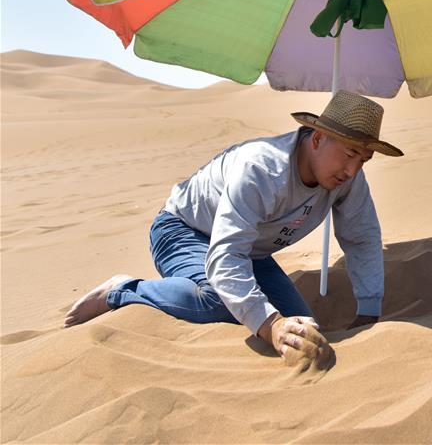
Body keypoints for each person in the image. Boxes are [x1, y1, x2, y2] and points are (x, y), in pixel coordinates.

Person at [64, 90, 402, 360]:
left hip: (250, 248)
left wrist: (369, 309)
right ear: (316, 140)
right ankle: (122, 291)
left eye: (364, 160)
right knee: (220, 300)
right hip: (183, 230)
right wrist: (270, 327)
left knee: (303, 328)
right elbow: (226, 258)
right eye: (349, 153)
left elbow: (362, 237)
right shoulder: (260, 170)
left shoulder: (348, 180)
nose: (353, 169)